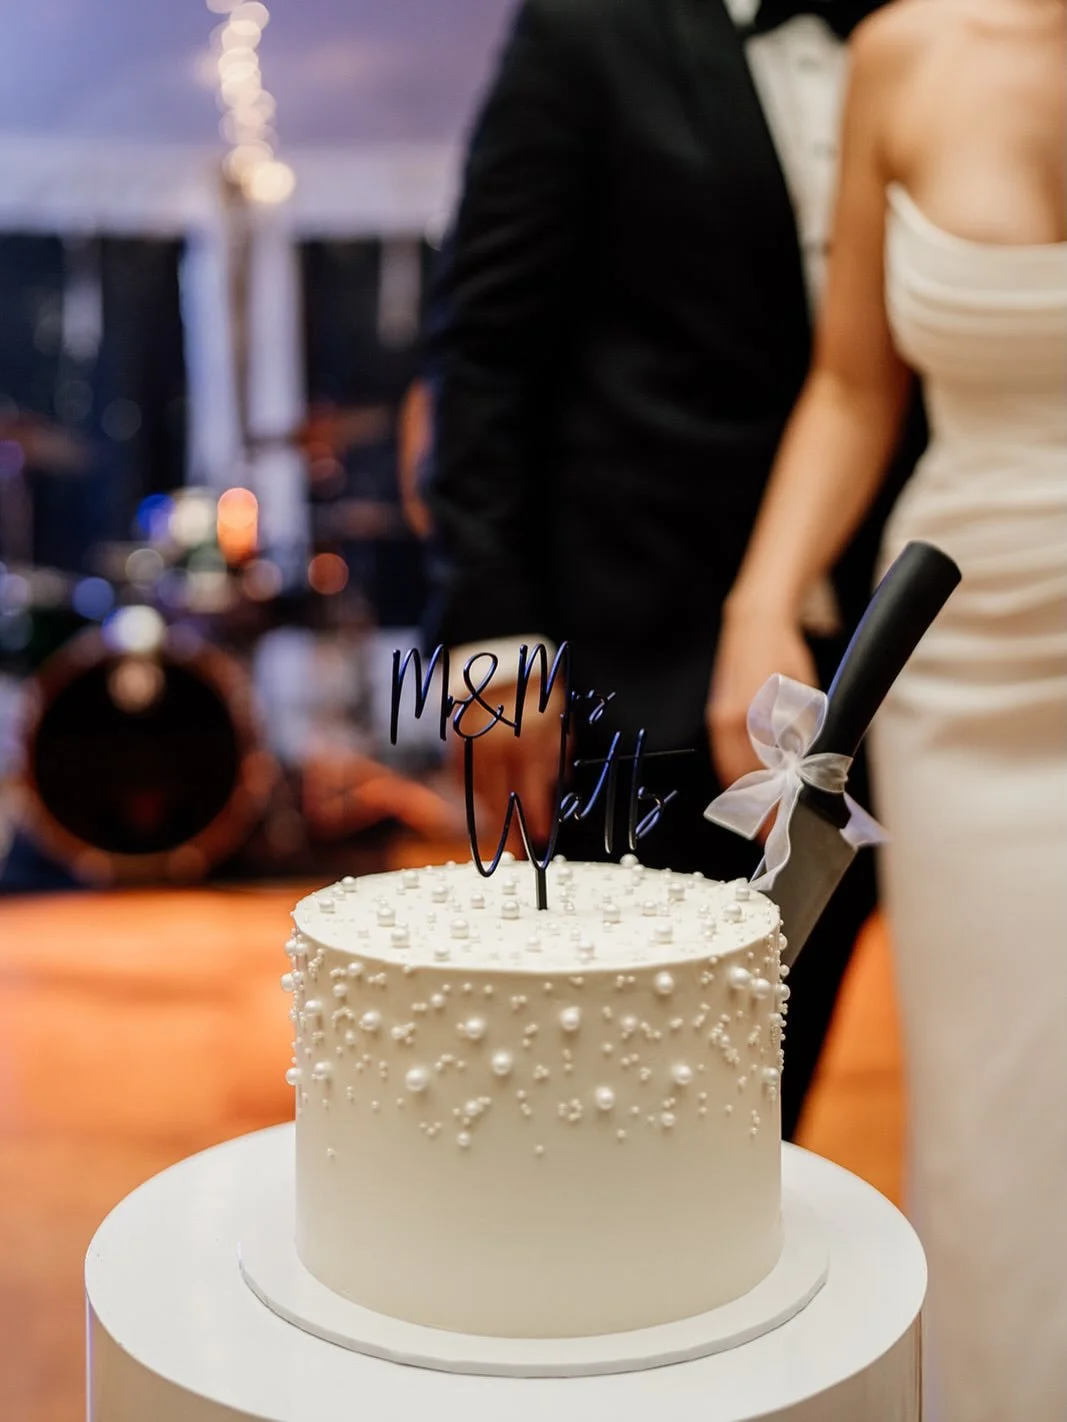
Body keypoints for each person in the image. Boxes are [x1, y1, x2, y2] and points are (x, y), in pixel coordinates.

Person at [425, 0, 923, 1140]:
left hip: (915, 657)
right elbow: (487, 346)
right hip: (646, 655)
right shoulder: (586, 27)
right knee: (621, 1100)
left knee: (777, 1108)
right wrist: (492, 626)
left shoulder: (943, 30)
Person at [708, 2, 1067, 1417]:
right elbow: (854, 380)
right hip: (967, 668)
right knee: (991, 1126)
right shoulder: (904, 49)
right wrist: (762, 593)